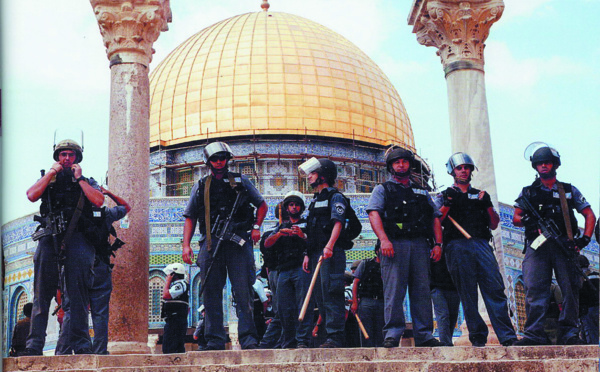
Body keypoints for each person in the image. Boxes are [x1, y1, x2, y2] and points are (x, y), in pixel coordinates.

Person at [182, 141, 268, 350]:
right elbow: (190, 217)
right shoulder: (202, 185)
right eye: (215, 159)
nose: (219, 162)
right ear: (208, 162)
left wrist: (256, 226)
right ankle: (214, 339)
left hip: (238, 244)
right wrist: (186, 245)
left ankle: (248, 338)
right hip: (211, 245)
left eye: (222, 158)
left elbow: (262, 205)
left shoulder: (241, 181)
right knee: (211, 293)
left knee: (243, 292)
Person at [24, 138, 104, 355]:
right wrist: (51, 173)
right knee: (42, 295)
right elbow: (31, 195)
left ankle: (81, 346)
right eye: (63, 155)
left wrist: (80, 180)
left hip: (77, 240)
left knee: (77, 297)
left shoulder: (87, 181)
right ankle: (34, 346)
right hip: (50, 239)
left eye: (71, 155)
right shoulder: (48, 180)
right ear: (57, 158)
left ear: (77, 158)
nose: (67, 159)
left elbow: (98, 201)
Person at [513, 143, 596, 346]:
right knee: (534, 288)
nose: (543, 166)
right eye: (539, 163)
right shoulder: (528, 193)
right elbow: (516, 217)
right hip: (538, 246)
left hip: (564, 246)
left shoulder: (567, 190)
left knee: (569, 289)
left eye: (547, 162)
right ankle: (534, 334)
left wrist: (584, 239)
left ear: (554, 165)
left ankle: (569, 333)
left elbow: (589, 214)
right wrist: (529, 222)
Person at [436, 152, 517, 347]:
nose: (464, 171)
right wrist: (448, 203)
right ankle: (478, 336)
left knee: (495, 289)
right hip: (457, 246)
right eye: (459, 168)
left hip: (481, 244)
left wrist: (487, 205)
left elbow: (494, 224)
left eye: (467, 167)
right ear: (452, 171)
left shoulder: (480, 195)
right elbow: (436, 220)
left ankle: (507, 337)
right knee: (468, 293)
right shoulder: (444, 195)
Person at [366, 146, 443, 348]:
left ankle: (424, 334)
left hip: (419, 244)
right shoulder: (383, 189)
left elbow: (435, 217)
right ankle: (392, 333)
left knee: (421, 291)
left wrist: (438, 244)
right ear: (391, 166)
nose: (401, 165)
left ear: (409, 165)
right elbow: (374, 214)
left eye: (405, 161)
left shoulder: (421, 192)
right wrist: (384, 240)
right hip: (394, 244)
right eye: (397, 162)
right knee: (394, 290)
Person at [55, 186, 131, 355]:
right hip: (100, 267)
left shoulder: (74, 215)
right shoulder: (106, 214)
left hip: (78, 268)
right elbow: (126, 207)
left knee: (72, 309)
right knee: (100, 313)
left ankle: (63, 351)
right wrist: (109, 193)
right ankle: (100, 352)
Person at [299, 157, 349, 348]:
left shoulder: (335, 197)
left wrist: (329, 246)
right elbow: (312, 230)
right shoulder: (315, 200)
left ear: (323, 175)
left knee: (331, 292)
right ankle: (327, 336)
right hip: (315, 254)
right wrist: (307, 254)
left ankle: (336, 336)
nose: (309, 176)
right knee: (320, 295)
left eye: (312, 173)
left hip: (330, 252)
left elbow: (338, 222)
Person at [263, 191, 313, 348]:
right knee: (284, 308)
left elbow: (315, 242)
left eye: (296, 205)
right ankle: (288, 340)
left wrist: (302, 236)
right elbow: (267, 244)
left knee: (303, 305)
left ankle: (302, 340)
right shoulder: (280, 227)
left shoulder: (307, 224)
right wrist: (280, 234)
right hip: (283, 271)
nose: (294, 207)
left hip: (301, 269)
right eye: (291, 205)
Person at [351, 243, 385, 347]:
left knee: (381, 333)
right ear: (377, 251)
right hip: (366, 301)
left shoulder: (389, 266)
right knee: (366, 331)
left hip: (382, 302)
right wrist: (355, 302)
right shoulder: (366, 263)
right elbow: (356, 283)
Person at [429, 253, 460, 346]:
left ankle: (448, 340)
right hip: (436, 285)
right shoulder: (433, 246)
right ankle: (446, 343)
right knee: (443, 314)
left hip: (453, 285)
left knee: (453, 315)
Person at [161, 263, 189, 354]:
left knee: (172, 348)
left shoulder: (181, 284)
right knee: (170, 347)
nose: (168, 276)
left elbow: (166, 295)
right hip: (173, 319)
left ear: (174, 274)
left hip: (176, 320)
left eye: (170, 274)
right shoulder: (178, 285)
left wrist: (167, 282)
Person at [577, 255, 599, 344]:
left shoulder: (581, 278)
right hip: (595, 307)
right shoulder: (596, 275)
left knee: (590, 332)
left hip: (588, 309)